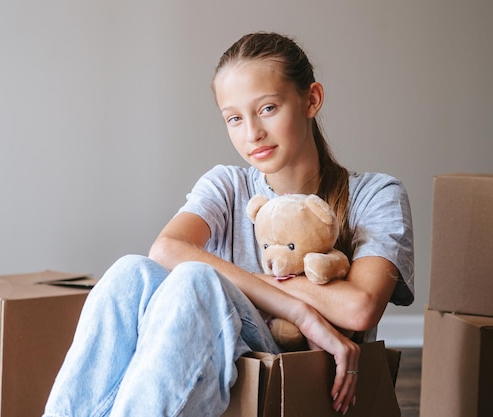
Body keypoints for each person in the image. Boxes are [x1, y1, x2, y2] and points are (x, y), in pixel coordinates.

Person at [43, 32, 414, 417]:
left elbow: (359, 309)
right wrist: (300, 311)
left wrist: (237, 282)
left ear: (311, 99)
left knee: (195, 279)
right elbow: (165, 249)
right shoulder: (228, 184)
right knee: (129, 273)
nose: (252, 133)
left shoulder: (375, 194)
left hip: (291, 374)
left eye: (268, 108)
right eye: (234, 118)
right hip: (219, 360)